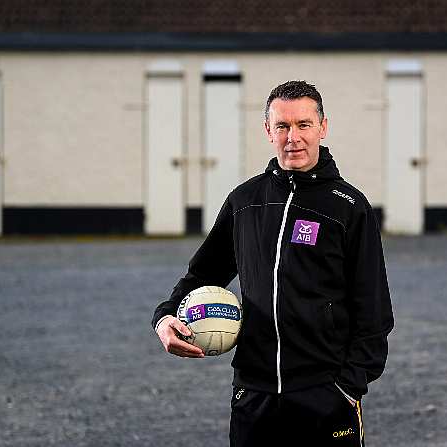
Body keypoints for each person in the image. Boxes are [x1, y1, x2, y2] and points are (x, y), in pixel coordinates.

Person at [152, 80, 393, 446]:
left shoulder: (348, 207)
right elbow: (202, 275)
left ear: (323, 128)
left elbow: (373, 311)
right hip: (254, 393)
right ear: (268, 130)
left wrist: (347, 386)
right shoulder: (245, 201)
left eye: (303, 125)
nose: (292, 137)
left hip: (325, 394)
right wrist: (165, 317)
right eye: (282, 126)